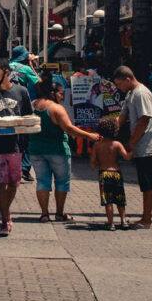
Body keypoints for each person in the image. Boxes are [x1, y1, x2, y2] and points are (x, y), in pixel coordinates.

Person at [29, 79, 99, 223]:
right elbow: (68, 128)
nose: (62, 97)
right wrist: (89, 136)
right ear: (53, 94)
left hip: (36, 149)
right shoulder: (57, 109)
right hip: (58, 150)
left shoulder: (33, 105)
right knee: (62, 182)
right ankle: (60, 213)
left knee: (42, 181)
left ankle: (44, 214)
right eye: (61, 94)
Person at [112, 65, 152, 229]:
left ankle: (147, 219)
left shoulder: (140, 93)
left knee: (150, 183)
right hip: (148, 145)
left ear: (128, 79)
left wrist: (131, 141)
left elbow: (144, 120)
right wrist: (108, 130)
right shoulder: (130, 94)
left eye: (119, 84)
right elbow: (122, 117)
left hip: (150, 145)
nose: (118, 87)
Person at [0, 58, 33, 236]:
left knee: (13, 184)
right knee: (1, 183)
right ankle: (5, 219)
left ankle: (5, 211)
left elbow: (28, 117)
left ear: (5, 71)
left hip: (16, 146)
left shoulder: (21, 92)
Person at [90, 116, 130, 230]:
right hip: (116, 173)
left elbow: (92, 162)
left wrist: (95, 165)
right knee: (120, 199)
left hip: (103, 173)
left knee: (108, 200)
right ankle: (123, 221)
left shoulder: (97, 145)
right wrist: (132, 152)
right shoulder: (117, 144)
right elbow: (126, 157)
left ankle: (111, 223)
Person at [9, 45, 41, 181]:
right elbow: (39, 82)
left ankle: (10, 167)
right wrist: (31, 66)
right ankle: (25, 169)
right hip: (22, 106)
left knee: (9, 136)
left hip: (5, 105)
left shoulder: (7, 66)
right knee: (25, 137)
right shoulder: (26, 68)